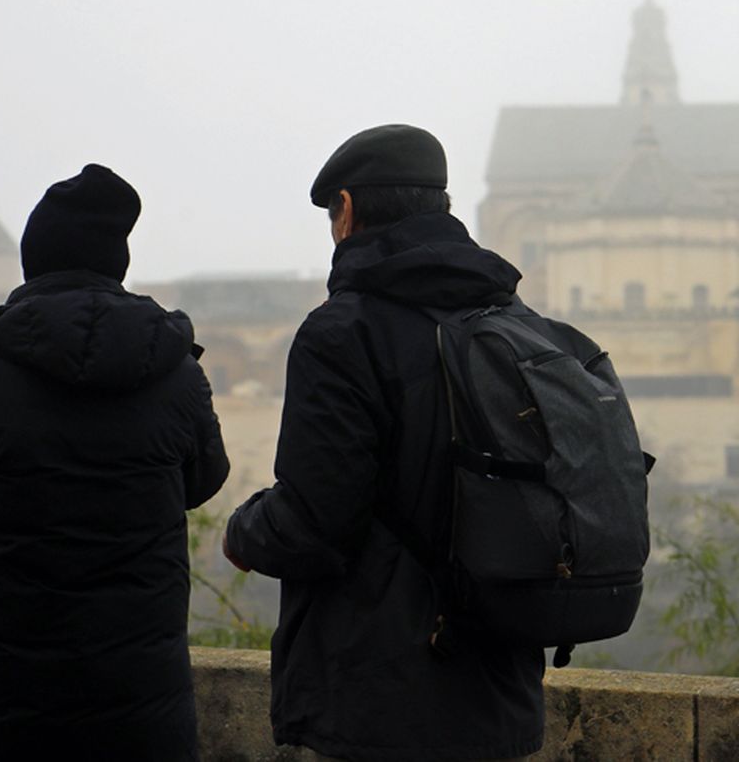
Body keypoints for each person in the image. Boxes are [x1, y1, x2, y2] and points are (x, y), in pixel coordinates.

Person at [224, 124, 544, 762]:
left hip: (379, 695)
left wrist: (243, 531)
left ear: (346, 211)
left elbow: (315, 521)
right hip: (500, 685)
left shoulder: (343, 332)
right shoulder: (515, 325)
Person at [0, 164, 229, 761]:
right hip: (143, 710)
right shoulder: (180, 377)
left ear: (32, 264)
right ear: (119, 265)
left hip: (2, 711)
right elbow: (203, 482)